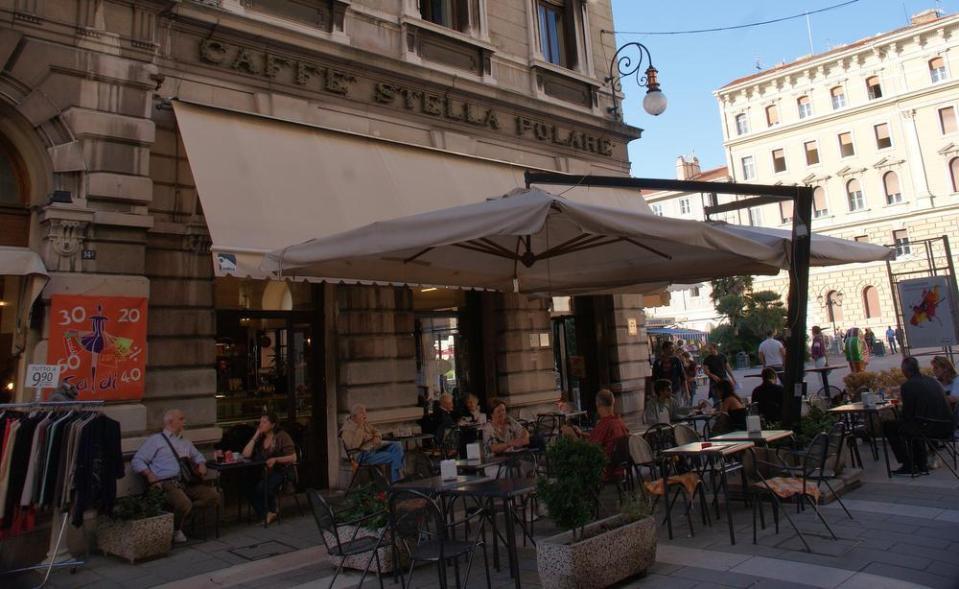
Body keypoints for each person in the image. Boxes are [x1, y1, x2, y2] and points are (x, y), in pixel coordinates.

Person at [132, 409, 220, 543]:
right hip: (166, 482)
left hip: (186, 481)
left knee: (212, 496)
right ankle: (176, 529)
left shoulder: (185, 441)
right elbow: (137, 460)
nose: (184, 421)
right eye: (181, 419)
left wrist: (201, 463)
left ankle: (181, 519)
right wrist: (149, 474)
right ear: (170, 421)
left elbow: (198, 456)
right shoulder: (156, 440)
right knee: (183, 503)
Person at [883, 357, 955, 475]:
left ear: (905, 371)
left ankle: (908, 464)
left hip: (931, 428)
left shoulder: (908, 386)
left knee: (890, 426)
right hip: (947, 425)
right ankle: (921, 464)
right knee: (913, 425)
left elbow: (907, 415)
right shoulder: (933, 381)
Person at [242, 413, 297, 525]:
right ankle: (267, 513)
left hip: (282, 471)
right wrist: (256, 435)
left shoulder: (282, 436)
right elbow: (246, 454)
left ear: (272, 425)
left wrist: (276, 459)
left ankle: (270, 511)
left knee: (262, 487)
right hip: (265, 472)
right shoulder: (261, 438)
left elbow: (293, 457)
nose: (261, 425)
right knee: (247, 486)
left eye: (264, 422)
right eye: (260, 422)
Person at [341, 404, 405, 481]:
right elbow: (355, 446)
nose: (365, 415)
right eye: (362, 413)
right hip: (363, 455)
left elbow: (376, 431)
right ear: (354, 416)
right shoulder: (347, 430)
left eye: (365, 412)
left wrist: (376, 437)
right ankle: (397, 481)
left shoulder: (364, 423)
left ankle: (398, 473)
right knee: (394, 456)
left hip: (374, 448)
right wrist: (361, 428)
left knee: (397, 445)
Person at [652, 341, 689, 407]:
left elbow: (683, 377)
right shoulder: (657, 362)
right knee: (664, 410)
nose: (673, 350)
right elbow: (654, 378)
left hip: (675, 390)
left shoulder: (676, 360)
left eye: (673, 348)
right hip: (662, 393)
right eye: (671, 348)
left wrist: (687, 392)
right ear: (664, 349)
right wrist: (653, 393)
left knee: (677, 411)